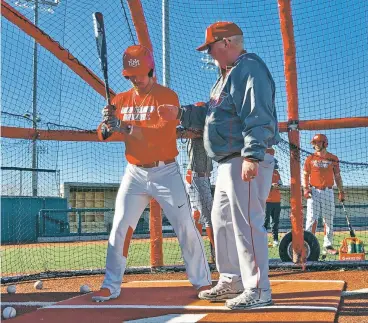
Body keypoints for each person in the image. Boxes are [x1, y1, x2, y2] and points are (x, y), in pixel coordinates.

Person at [158, 21, 280, 310]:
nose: (209, 54)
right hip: (226, 162)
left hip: (243, 158)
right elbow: (212, 116)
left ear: (226, 43)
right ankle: (232, 279)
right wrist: (181, 113)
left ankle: (258, 288)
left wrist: (252, 155)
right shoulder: (226, 75)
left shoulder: (249, 68)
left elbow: (257, 112)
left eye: (211, 47)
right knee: (223, 224)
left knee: (247, 225)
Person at [92, 44, 211, 302]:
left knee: (185, 226)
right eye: (129, 76)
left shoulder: (167, 96)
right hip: (134, 173)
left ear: (150, 70)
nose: (134, 79)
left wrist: (124, 125)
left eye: (138, 74)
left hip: (165, 171)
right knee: (120, 226)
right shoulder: (120, 100)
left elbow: (160, 134)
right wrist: (107, 123)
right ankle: (110, 286)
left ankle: (202, 282)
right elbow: (103, 134)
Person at [178, 104, 216, 263]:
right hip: (195, 176)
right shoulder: (194, 129)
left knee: (197, 215)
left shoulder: (208, 131)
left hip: (201, 177)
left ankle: (192, 251)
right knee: (210, 216)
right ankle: (217, 252)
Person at [303, 134, 345, 255]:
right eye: (314, 143)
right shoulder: (310, 158)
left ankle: (327, 246)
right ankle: (308, 244)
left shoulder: (333, 158)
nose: (315, 145)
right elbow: (305, 175)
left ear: (324, 143)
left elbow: (337, 176)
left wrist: (341, 191)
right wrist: (305, 188)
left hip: (328, 191)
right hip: (314, 191)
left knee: (328, 219)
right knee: (311, 219)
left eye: (317, 142)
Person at [264, 158, 283, 247]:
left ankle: (275, 240)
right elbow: (261, 185)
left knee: (275, 222)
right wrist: (270, 185)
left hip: (277, 201)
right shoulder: (264, 172)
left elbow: (280, 183)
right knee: (265, 221)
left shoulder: (276, 173)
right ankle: (262, 239)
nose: (275, 164)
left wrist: (278, 185)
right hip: (267, 201)